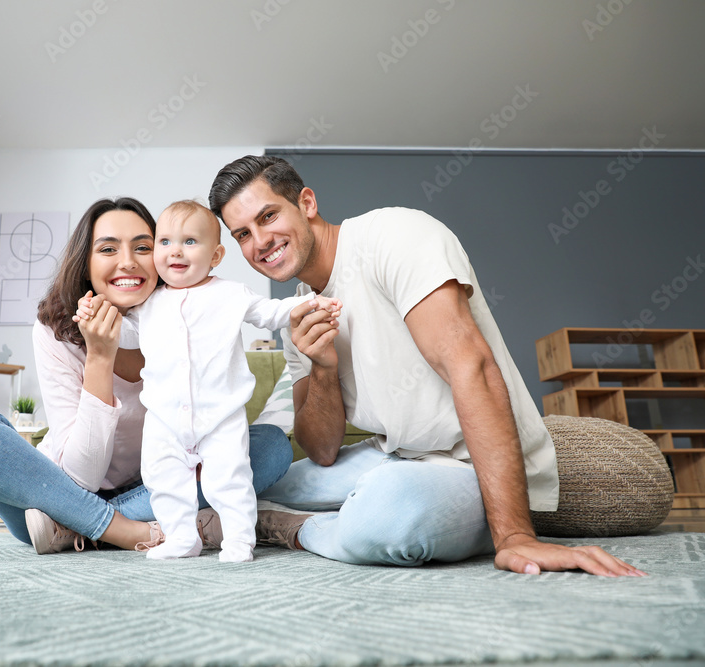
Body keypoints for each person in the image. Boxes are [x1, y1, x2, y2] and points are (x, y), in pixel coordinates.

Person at [206, 155, 645, 577]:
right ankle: (269, 513)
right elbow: (321, 451)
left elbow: (471, 367)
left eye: (267, 217)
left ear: (306, 203)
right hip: (390, 456)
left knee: (387, 512)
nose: (260, 242)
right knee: (245, 484)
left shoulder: (393, 236)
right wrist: (322, 368)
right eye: (242, 234)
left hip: (468, 466)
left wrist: (514, 535)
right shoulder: (299, 313)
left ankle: (294, 528)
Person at [0, 197, 294, 554]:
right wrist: (100, 358)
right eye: (107, 249)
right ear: (85, 263)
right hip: (55, 490)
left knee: (271, 447)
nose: (127, 262)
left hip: (149, 489)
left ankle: (74, 529)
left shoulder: (185, 316)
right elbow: (82, 477)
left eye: (143, 247)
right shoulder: (53, 330)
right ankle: (122, 530)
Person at [77, 201, 341, 562]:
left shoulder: (232, 294)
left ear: (215, 255)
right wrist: (96, 313)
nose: (176, 251)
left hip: (221, 417)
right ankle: (182, 538)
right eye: (165, 242)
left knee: (229, 480)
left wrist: (311, 304)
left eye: (190, 242)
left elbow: (270, 313)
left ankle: (238, 539)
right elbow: (124, 336)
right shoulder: (148, 305)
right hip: (165, 419)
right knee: (164, 481)